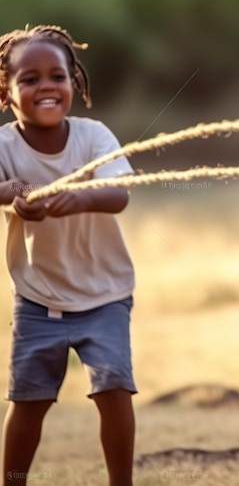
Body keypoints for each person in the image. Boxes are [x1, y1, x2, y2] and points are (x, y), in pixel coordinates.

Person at [0, 26, 136, 486]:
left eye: (56, 76)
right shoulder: (4, 146)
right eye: (30, 79)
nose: (45, 87)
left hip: (106, 293)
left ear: (73, 83)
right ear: (6, 90)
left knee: (114, 388)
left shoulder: (94, 136)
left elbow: (120, 192)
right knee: (30, 399)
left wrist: (78, 197)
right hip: (38, 297)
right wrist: (13, 190)